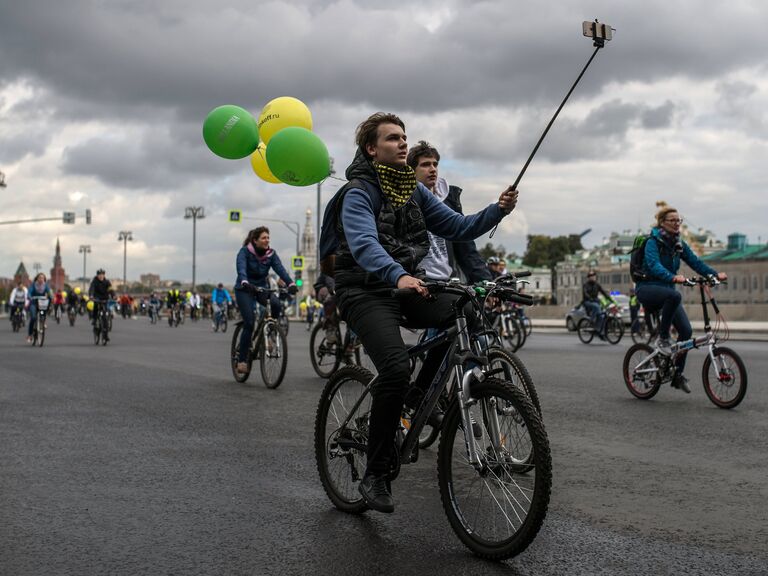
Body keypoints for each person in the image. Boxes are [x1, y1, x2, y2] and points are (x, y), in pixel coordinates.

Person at [331, 112, 518, 513]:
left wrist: (497, 210)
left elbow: (459, 226)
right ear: (371, 148)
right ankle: (375, 474)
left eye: (404, 137)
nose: (403, 143)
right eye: (393, 138)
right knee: (395, 368)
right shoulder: (358, 192)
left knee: (463, 310)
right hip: (365, 290)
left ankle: (415, 400)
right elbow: (364, 244)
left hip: (405, 284)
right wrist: (397, 275)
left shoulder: (414, 193)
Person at [635, 206, 726, 392]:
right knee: (675, 294)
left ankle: (677, 374)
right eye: (673, 220)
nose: (677, 223)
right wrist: (672, 277)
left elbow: (695, 262)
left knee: (686, 331)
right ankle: (663, 338)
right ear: (662, 223)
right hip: (647, 289)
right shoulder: (653, 242)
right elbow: (653, 265)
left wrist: (714, 275)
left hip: (669, 294)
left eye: (679, 220)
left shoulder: (678, 244)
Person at [406, 141, 492, 283]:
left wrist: (484, 280)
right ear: (411, 170)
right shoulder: (402, 200)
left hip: (447, 281)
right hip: (416, 280)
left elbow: (466, 248)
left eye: (435, 164)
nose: (433, 169)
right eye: (425, 164)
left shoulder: (449, 200)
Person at [234, 227, 297, 374]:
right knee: (249, 322)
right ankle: (242, 359)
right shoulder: (244, 252)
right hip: (245, 289)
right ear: (255, 241)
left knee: (275, 304)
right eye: (263, 238)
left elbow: (280, 269)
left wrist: (291, 283)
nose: (267, 240)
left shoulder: (271, 254)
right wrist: (244, 280)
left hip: (261, 288)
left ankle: (270, 334)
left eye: (268, 237)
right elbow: (241, 268)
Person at [582, 271, 614, 339]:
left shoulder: (597, 285)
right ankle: (592, 321)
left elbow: (604, 293)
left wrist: (611, 300)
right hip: (587, 302)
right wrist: (590, 298)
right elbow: (585, 293)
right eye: (591, 276)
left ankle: (600, 332)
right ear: (589, 278)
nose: (593, 277)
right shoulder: (585, 285)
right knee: (596, 306)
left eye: (594, 276)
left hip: (595, 301)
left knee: (602, 316)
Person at [25, 273, 53, 342]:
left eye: (42, 278)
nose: (41, 279)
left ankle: (43, 322)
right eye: (40, 278)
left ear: (44, 279)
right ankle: (30, 335)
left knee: (43, 312)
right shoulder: (33, 285)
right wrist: (29, 296)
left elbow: (49, 292)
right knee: (33, 317)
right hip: (34, 303)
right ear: (37, 278)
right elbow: (29, 292)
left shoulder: (45, 286)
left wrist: (51, 296)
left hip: (42, 303)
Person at [89, 269, 114, 339]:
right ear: (97, 275)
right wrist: (91, 296)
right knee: (96, 308)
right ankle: (94, 319)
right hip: (97, 299)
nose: (101, 276)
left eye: (102, 275)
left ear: (104, 275)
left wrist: (113, 296)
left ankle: (105, 335)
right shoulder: (94, 282)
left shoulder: (107, 282)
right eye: (99, 275)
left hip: (105, 299)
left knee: (105, 316)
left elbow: (111, 290)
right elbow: (92, 289)